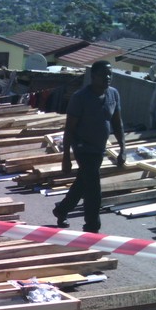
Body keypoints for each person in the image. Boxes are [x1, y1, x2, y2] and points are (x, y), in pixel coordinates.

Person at [53, 60, 126, 234]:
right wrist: (66, 159)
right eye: (103, 74)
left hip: (99, 148)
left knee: (83, 183)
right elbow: (69, 129)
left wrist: (123, 149)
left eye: (110, 74)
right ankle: (92, 227)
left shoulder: (113, 95)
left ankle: (62, 209)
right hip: (82, 147)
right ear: (93, 77)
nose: (107, 78)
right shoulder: (80, 97)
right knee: (93, 188)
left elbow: (117, 123)